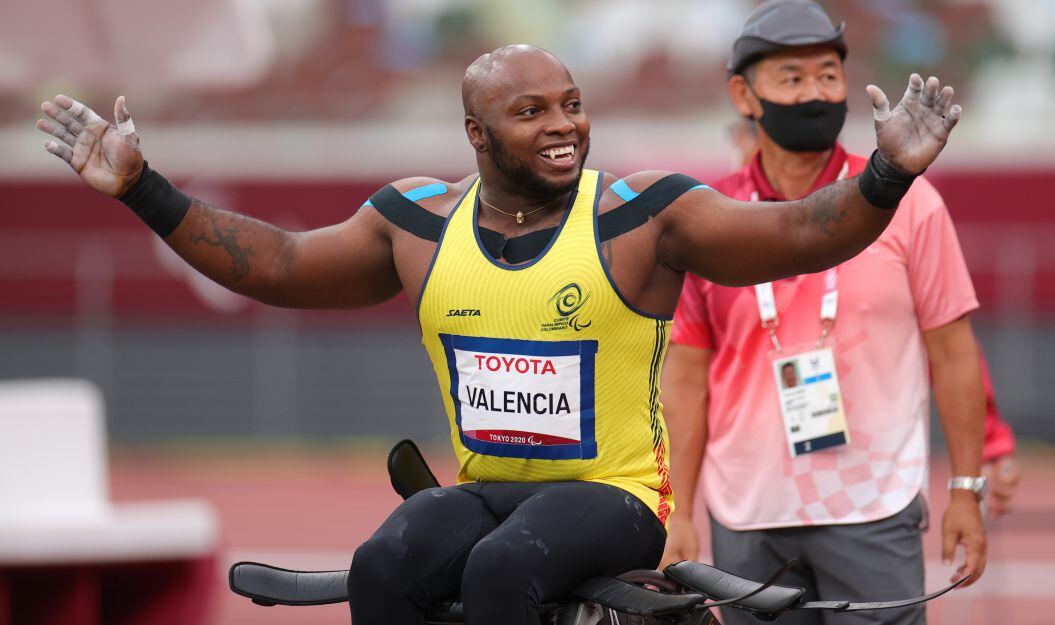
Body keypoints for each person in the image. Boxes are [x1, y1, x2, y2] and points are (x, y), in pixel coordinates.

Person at [36, 43, 962, 625]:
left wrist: (886, 173)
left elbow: (802, 235)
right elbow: (275, 265)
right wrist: (141, 190)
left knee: (502, 570)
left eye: (572, 104)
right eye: (533, 113)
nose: (564, 126)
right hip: (492, 491)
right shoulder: (415, 223)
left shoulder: (644, 216)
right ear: (477, 133)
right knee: (386, 560)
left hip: (612, 497)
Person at [659, 3, 991, 624]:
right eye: (791, 78)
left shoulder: (909, 204)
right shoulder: (709, 218)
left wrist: (966, 491)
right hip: (747, 514)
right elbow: (685, 377)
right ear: (744, 94)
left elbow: (953, 353)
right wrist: (677, 509)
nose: (815, 92)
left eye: (828, 76)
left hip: (873, 506)